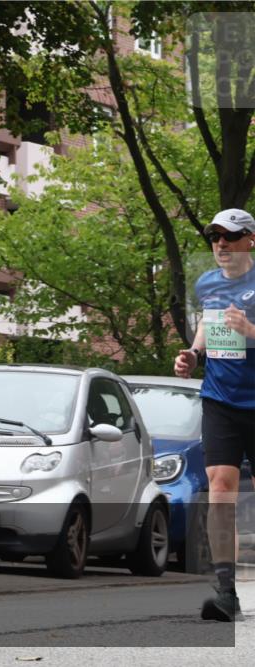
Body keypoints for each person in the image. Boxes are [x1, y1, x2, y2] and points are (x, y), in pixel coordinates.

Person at [174, 208, 255, 623]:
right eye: (215, 237)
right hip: (220, 400)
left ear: (250, 240)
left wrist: (252, 331)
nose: (221, 244)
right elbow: (207, 327)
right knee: (220, 487)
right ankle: (226, 592)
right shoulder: (207, 283)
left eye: (230, 236)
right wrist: (193, 354)